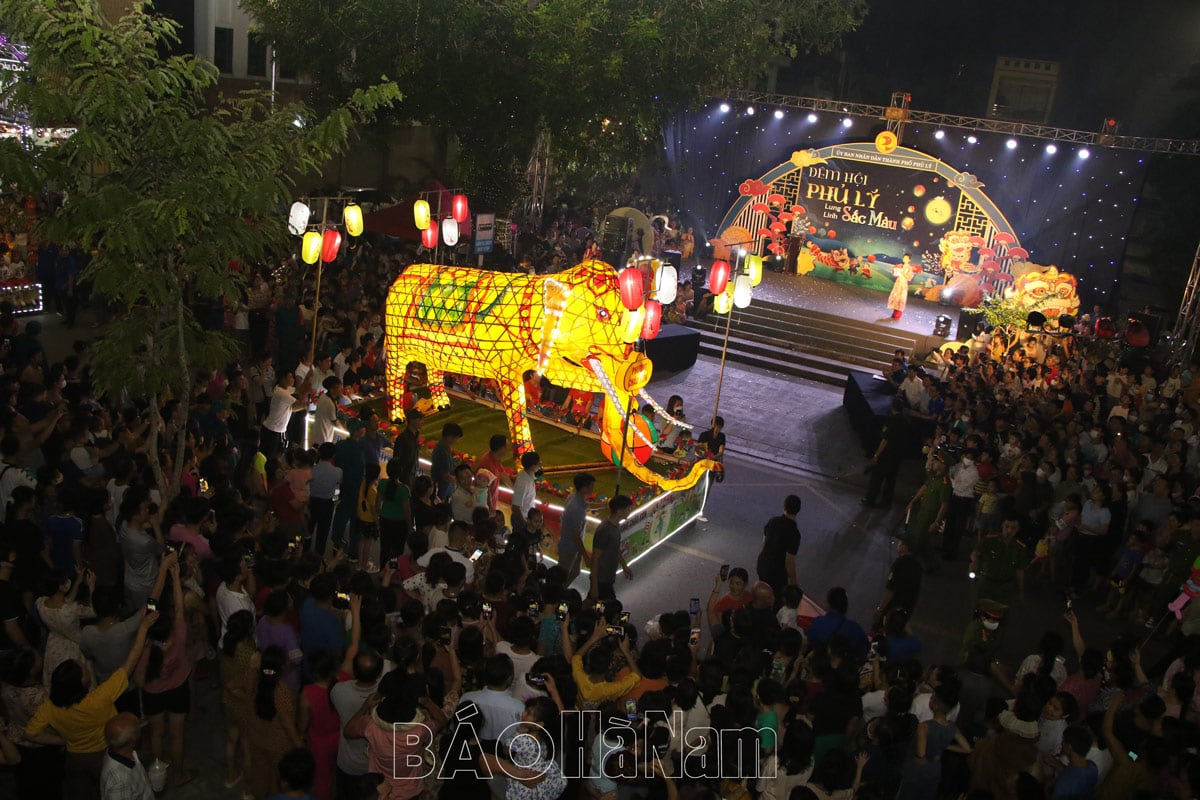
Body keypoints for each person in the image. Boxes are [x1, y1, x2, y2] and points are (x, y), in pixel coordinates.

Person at [26, 610, 158, 799]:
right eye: (83, 670)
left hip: (75, 759)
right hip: (102, 755)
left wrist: (64, 741)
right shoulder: (99, 698)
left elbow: (31, 733)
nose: (86, 666)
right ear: (83, 684)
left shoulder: (50, 706)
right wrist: (144, 627)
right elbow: (130, 663)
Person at [971, 514, 1027, 603]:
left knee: (1000, 613)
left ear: (1017, 530)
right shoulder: (990, 540)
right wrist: (974, 563)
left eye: (1013, 528)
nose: (1009, 530)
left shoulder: (1019, 548)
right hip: (988, 584)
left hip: (1005, 587)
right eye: (1007, 526)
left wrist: (1021, 590)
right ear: (1002, 526)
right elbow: (976, 553)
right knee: (983, 612)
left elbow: (1019, 570)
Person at [864, 399, 909, 508]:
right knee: (891, 479)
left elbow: (885, 439)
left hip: (887, 454)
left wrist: (876, 455)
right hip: (897, 455)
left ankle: (870, 499)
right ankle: (886, 502)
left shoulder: (891, 420)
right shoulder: (905, 421)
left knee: (877, 477)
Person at [756, 494, 802, 598]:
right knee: (775, 598)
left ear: (784, 506)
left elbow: (764, 541)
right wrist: (794, 583)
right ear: (798, 511)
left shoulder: (773, 521)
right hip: (776, 574)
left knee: (762, 595)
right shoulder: (794, 533)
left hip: (762, 564)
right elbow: (789, 562)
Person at [589, 495, 634, 601]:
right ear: (619, 511)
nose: (630, 511)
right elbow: (595, 558)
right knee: (606, 605)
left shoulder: (615, 526)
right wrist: (594, 586)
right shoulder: (605, 530)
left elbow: (615, 548)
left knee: (594, 601)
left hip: (608, 576)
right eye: (628, 509)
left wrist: (624, 566)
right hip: (602, 578)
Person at [99, 712, 153, 800]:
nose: (140, 725)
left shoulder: (122, 751)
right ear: (133, 738)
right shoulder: (119, 782)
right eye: (137, 725)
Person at [807, 587, 869, 657]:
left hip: (819, 665)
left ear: (829, 603)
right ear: (845, 605)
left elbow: (810, 641)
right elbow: (864, 649)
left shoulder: (817, 622)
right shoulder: (854, 628)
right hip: (844, 666)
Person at [557, 472, 594, 584]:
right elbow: (576, 536)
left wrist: (606, 506)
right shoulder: (577, 509)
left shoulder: (575, 497)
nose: (593, 488)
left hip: (571, 546)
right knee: (563, 575)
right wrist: (586, 557)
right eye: (591, 486)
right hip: (569, 547)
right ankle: (556, 594)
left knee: (574, 571)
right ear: (584, 488)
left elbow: (587, 505)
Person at [878, 538, 922, 622]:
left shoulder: (899, 563)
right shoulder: (918, 566)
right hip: (907, 609)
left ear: (905, 547)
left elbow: (890, 589)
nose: (898, 545)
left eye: (900, 543)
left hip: (892, 609)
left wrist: (880, 609)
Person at [431, 422, 462, 502]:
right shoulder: (442, 451)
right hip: (442, 487)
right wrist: (461, 481)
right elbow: (446, 477)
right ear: (450, 437)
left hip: (443, 486)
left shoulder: (445, 447)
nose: (456, 441)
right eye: (456, 438)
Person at [511, 450, 541, 534]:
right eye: (538, 463)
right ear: (532, 466)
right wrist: (524, 523)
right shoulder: (522, 483)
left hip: (527, 516)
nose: (540, 465)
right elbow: (515, 507)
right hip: (522, 519)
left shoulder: (529, 474)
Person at [887, 254, 915, 321]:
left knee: (901, 298)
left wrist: (902, 272)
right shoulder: (900, 265)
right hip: (898, 282)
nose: (905, 259)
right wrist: (895, 270)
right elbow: (895, 274)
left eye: (906, 258)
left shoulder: (909, 268)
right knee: (896, 297)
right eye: (904, 258)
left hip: (903, 283)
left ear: (909, 260)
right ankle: (894, 313)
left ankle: (898, 315)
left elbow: (909, 277)